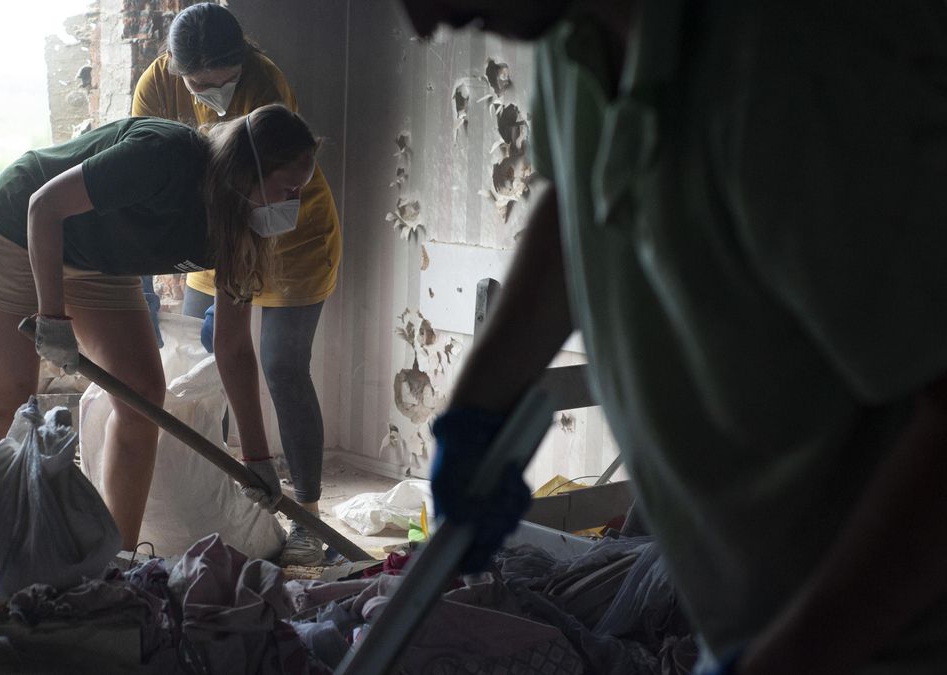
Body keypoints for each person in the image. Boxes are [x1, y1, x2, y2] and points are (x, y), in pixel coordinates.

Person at [401, 1, 947, 674]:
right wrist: (477, 407)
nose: (422, 23)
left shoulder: (804, 57)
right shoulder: (575, 37)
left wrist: (800, 653)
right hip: (758, 624)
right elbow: (579, 198)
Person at [0, 103, 320, 553]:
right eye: (288, 189)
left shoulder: (242, 230)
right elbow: (44, 206)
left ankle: (117, 559)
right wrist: (53, 317)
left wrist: (257, 458)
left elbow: (234, 346)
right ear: (247, 171)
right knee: (10, 395)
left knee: (142, 396)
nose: (293, 204)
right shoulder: (164, 155)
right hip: (19, 231)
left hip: (98, 263)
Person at [132, 2, 343, 565]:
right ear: (176, 68)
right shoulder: (156, 86)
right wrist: (142, 280)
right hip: (216, 229)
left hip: (286, 228)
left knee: (281, 367)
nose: (212, 93)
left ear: (243, 58)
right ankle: (223, 501)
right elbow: (148, 172)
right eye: (199, 84)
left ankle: (307, 513)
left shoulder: (266, 83)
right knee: (205, 371)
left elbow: (259, 182)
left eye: (223, 81)